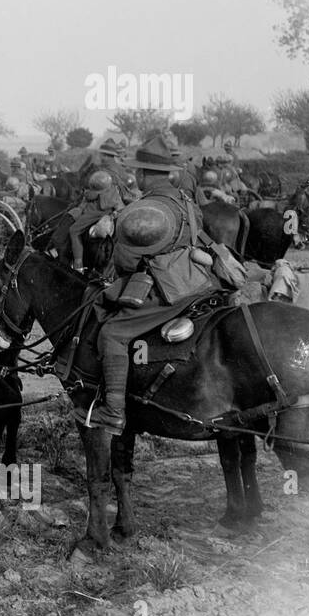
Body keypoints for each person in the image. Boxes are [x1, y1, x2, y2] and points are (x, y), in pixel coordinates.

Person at [90, 136, 226, 431]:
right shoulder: (185, 200)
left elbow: (124, 263)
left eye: (137, 171)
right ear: (169, 172)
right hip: (201, 279)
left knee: (112, 333)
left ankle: (113, 411)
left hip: (170, 287)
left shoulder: (144, 210)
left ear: (141, 174)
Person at [66, 170, 122, 271]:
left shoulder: (93, 194)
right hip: (108, 213)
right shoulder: (114, 190)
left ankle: (78, 263)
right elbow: (119, 206)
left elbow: (89, 196)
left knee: (73, 231)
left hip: (93, 213)